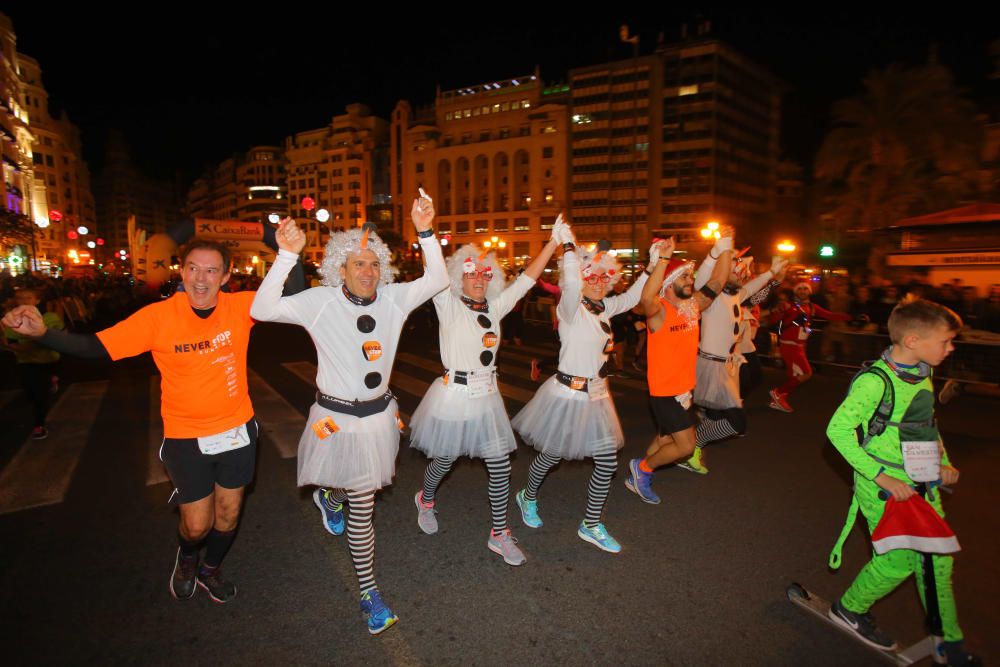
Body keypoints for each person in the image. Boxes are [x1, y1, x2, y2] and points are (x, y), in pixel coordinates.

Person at [2, 241, 260, 604]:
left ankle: (210, 569)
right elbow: (95, 347)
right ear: (181, 270)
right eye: (192, 268)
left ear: (226, 275)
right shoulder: (158, 317)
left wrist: (288, 251)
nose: (200, 278)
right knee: (197, 525)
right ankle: (188, 557)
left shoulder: (242, 306)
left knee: (229, 515)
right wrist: (43, 333)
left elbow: (294, 298)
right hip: (187, 437)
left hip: (237, 430)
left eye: (211, 270)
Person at [249, 194, 446, 635]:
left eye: (374, 263)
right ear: (340, 268)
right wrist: (285, 256)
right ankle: (369, 592)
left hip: (378, 420)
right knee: (363, 504)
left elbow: (437, 277)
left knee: (361, 497)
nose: (368, 271)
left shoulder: (394, 298)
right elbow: (260, 310)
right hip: (336, 420)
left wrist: (426, 230)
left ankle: (330, 498)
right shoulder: (319, 301)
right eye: (358, 263)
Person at [825, 299, 978, 666]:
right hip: (883, 486)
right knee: (897, 563)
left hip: (921, 482)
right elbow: (838, 430)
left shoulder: (923, 371)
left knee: (937, 560)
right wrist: (881, 476)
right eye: (945, 341)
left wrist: (943, 462)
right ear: (912, 339)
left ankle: (949, 642)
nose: (951, 347)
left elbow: (925, 423)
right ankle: (849, 609)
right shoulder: (875, 382)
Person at [410, 228, 560, 566]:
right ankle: (426, 498)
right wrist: (425, 232)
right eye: (470, 272)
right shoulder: (445, 302)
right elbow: (431, 269)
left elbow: (527, 279)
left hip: (487, 397)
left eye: (484, 273)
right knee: (445, 459)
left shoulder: (496, 306)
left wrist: (552, 242)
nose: (478, 278)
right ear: (457, 278)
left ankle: (499, 533)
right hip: (453, 394)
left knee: (499, 467)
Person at [512, 222, 657, 553]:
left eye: (606, 277)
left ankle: (591, 524)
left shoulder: (606, 308)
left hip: (598, 395)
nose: (599, 282)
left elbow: (634, 296)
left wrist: (652, 265)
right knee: (552, 454)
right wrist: (568, 248)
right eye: (593, 276)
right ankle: (527, 495)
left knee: (606, 461)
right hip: (566, 394)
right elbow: (574, 282)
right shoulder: (570, 307)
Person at [623, 236, 731, 503]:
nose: (690, 280)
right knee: (685, 446)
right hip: (664, 391)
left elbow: (718, 282)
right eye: (684, 277)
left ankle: (637, 474)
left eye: (690, 277)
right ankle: (642, 469)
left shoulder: (692, 307)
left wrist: (725, 247)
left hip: (684, 389)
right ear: (669, 284)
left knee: (664, 439)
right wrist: (663, 259)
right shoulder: (659, 312)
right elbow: (647, 296)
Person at [768, 281, 852, 412]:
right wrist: (778, 310)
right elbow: (773, 320)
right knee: (807, 373)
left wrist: (850, 317)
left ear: (809, 291)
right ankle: (778, 393)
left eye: (805, 289)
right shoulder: (790, 306)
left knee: (793, 376)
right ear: (796, 292)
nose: (802, 291)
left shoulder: (813, 307)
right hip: (790, 345)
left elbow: (830, 315)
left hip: (800, 346)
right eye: (799, 289)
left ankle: (778, 400)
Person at [2, 287, 64, 439]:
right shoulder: (11, 320)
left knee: (39, 394)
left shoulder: (50, 318)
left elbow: (61, 337)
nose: (24, 301)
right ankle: (51, 381)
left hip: (48, 359)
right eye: (20, 298)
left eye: (28, 298)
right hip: (25, 361)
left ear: (37, 300)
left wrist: (32, 344)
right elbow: (11, 342)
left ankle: (39, 425)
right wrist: (12, 345)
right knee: (30, 392)